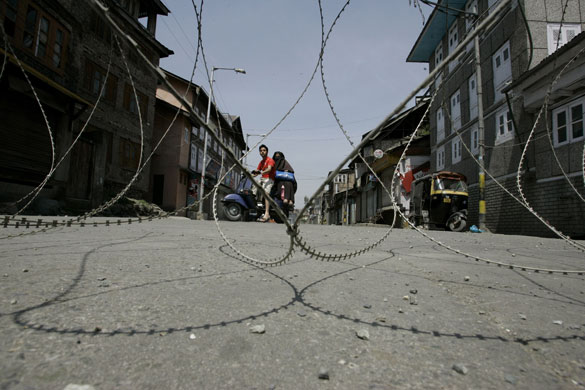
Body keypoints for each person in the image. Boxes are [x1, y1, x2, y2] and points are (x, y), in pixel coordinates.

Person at [251, 144, 275, 222]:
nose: (262, 152)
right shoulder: (261, 162)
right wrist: (250, 175)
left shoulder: (270, 160)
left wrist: (261, 172)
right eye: (261, 151)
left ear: (267, 152)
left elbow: (269, 169)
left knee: (266, 194)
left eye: (264, 150)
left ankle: (267, 213)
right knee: (255, 182)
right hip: (262, 179)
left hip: (269, 179)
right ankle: (254, 198)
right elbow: (256, 172)